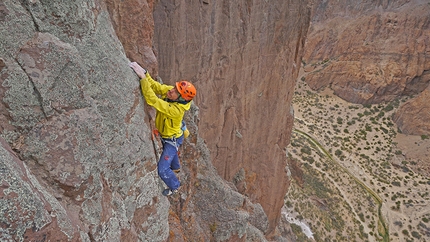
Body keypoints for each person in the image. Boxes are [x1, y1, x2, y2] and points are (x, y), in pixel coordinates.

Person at [129, 62, 196, 196]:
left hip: (172, 139)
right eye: (174, 88)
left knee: (163, 170)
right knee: (171, 153)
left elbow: (152, 100)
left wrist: (142, 79)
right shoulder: (173, 94)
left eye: (176, 91)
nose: (171, 91)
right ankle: (176, 167)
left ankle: (175, 186)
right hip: (173, 135)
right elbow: (156, 87)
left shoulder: (176, 110)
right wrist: (145, 73)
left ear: (181, 99)